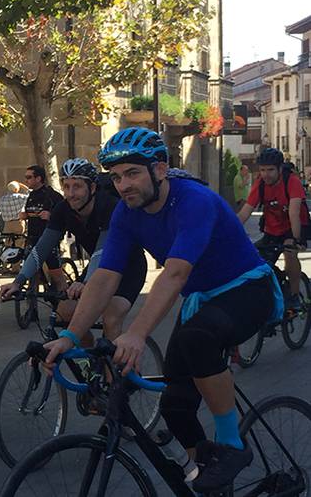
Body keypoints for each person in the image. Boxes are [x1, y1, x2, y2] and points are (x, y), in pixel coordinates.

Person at [44, 127, 283, 493]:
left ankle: (232, 448)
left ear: (159, 169)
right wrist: (69, 335)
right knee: (175, 407)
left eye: (132, 173)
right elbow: (105, 277)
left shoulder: (194, 200)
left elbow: (175, 273)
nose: (123, 185)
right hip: (203, 300)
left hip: (248, 288)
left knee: (197, 337)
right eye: (116, 177)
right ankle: (208, 472)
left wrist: (137, 333)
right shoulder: (126, 213)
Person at [0, 159, 147, 344]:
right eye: (66, 186)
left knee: (111, 317)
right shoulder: (63, 209)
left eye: (77, 186)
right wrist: (18, 281)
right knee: (65, 314)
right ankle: (89, 364)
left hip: (128, 268)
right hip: (97, 267)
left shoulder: (109, 206)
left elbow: (103, 250)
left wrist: (85, 282)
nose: (70, 193)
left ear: (92, 188)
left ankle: (115, 370)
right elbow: (42, 248)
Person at [237, 148, 308, 311]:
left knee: (290, 255)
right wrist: (227, 232)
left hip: (294, 226)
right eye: (262, 170)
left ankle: (295, 296)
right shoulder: (260, 184)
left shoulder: (291, 181)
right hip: (272, 228)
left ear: (279, 169)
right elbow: (245, 212)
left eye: (270, 170)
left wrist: (295, 240)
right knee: (254, 260)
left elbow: (294, 212)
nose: (266, 174)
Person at [20, 165, 66, 291]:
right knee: (31, 275)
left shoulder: (53, 195)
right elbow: (31, 212)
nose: (26, 180)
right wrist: (25, 215)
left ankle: (64, 302)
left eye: (29, 177)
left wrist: (51, 216)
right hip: (33, 238)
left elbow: (66, 216)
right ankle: (32, 308)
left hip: (49, 240)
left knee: (56, 275)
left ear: (38, 178)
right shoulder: (31, 196)